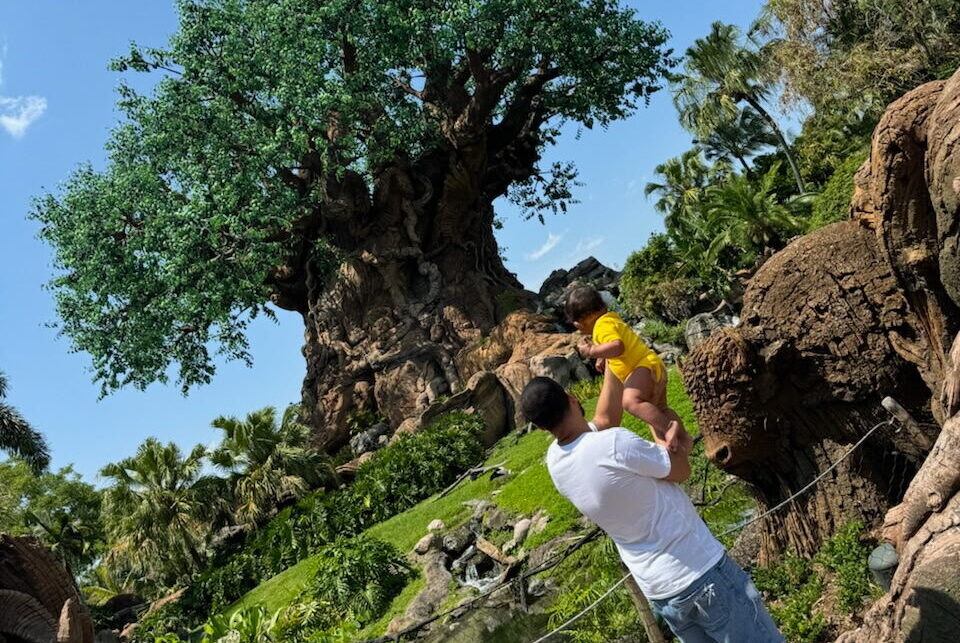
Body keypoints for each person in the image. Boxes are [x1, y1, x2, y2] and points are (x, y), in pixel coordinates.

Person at [520, 376, 784, 643]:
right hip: (700, 572)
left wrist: (615, 365)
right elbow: (680, 469)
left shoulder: (556, 461)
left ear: (541, 427)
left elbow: (603, 420)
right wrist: (666, 428)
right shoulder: (614, 443)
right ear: (572, 397)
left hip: (662, 593)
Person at [565, 285, 691, 453]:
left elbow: (617, 346)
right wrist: (604, 356)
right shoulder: (610, 318)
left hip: (642, 368)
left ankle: (668, 428)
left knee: (630, 402)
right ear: (603, 306)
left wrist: (592, 351)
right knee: (660, 410)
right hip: (652, 366)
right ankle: (684, 441)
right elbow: (615, 341)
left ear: (579, 324)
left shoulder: (601, 326)